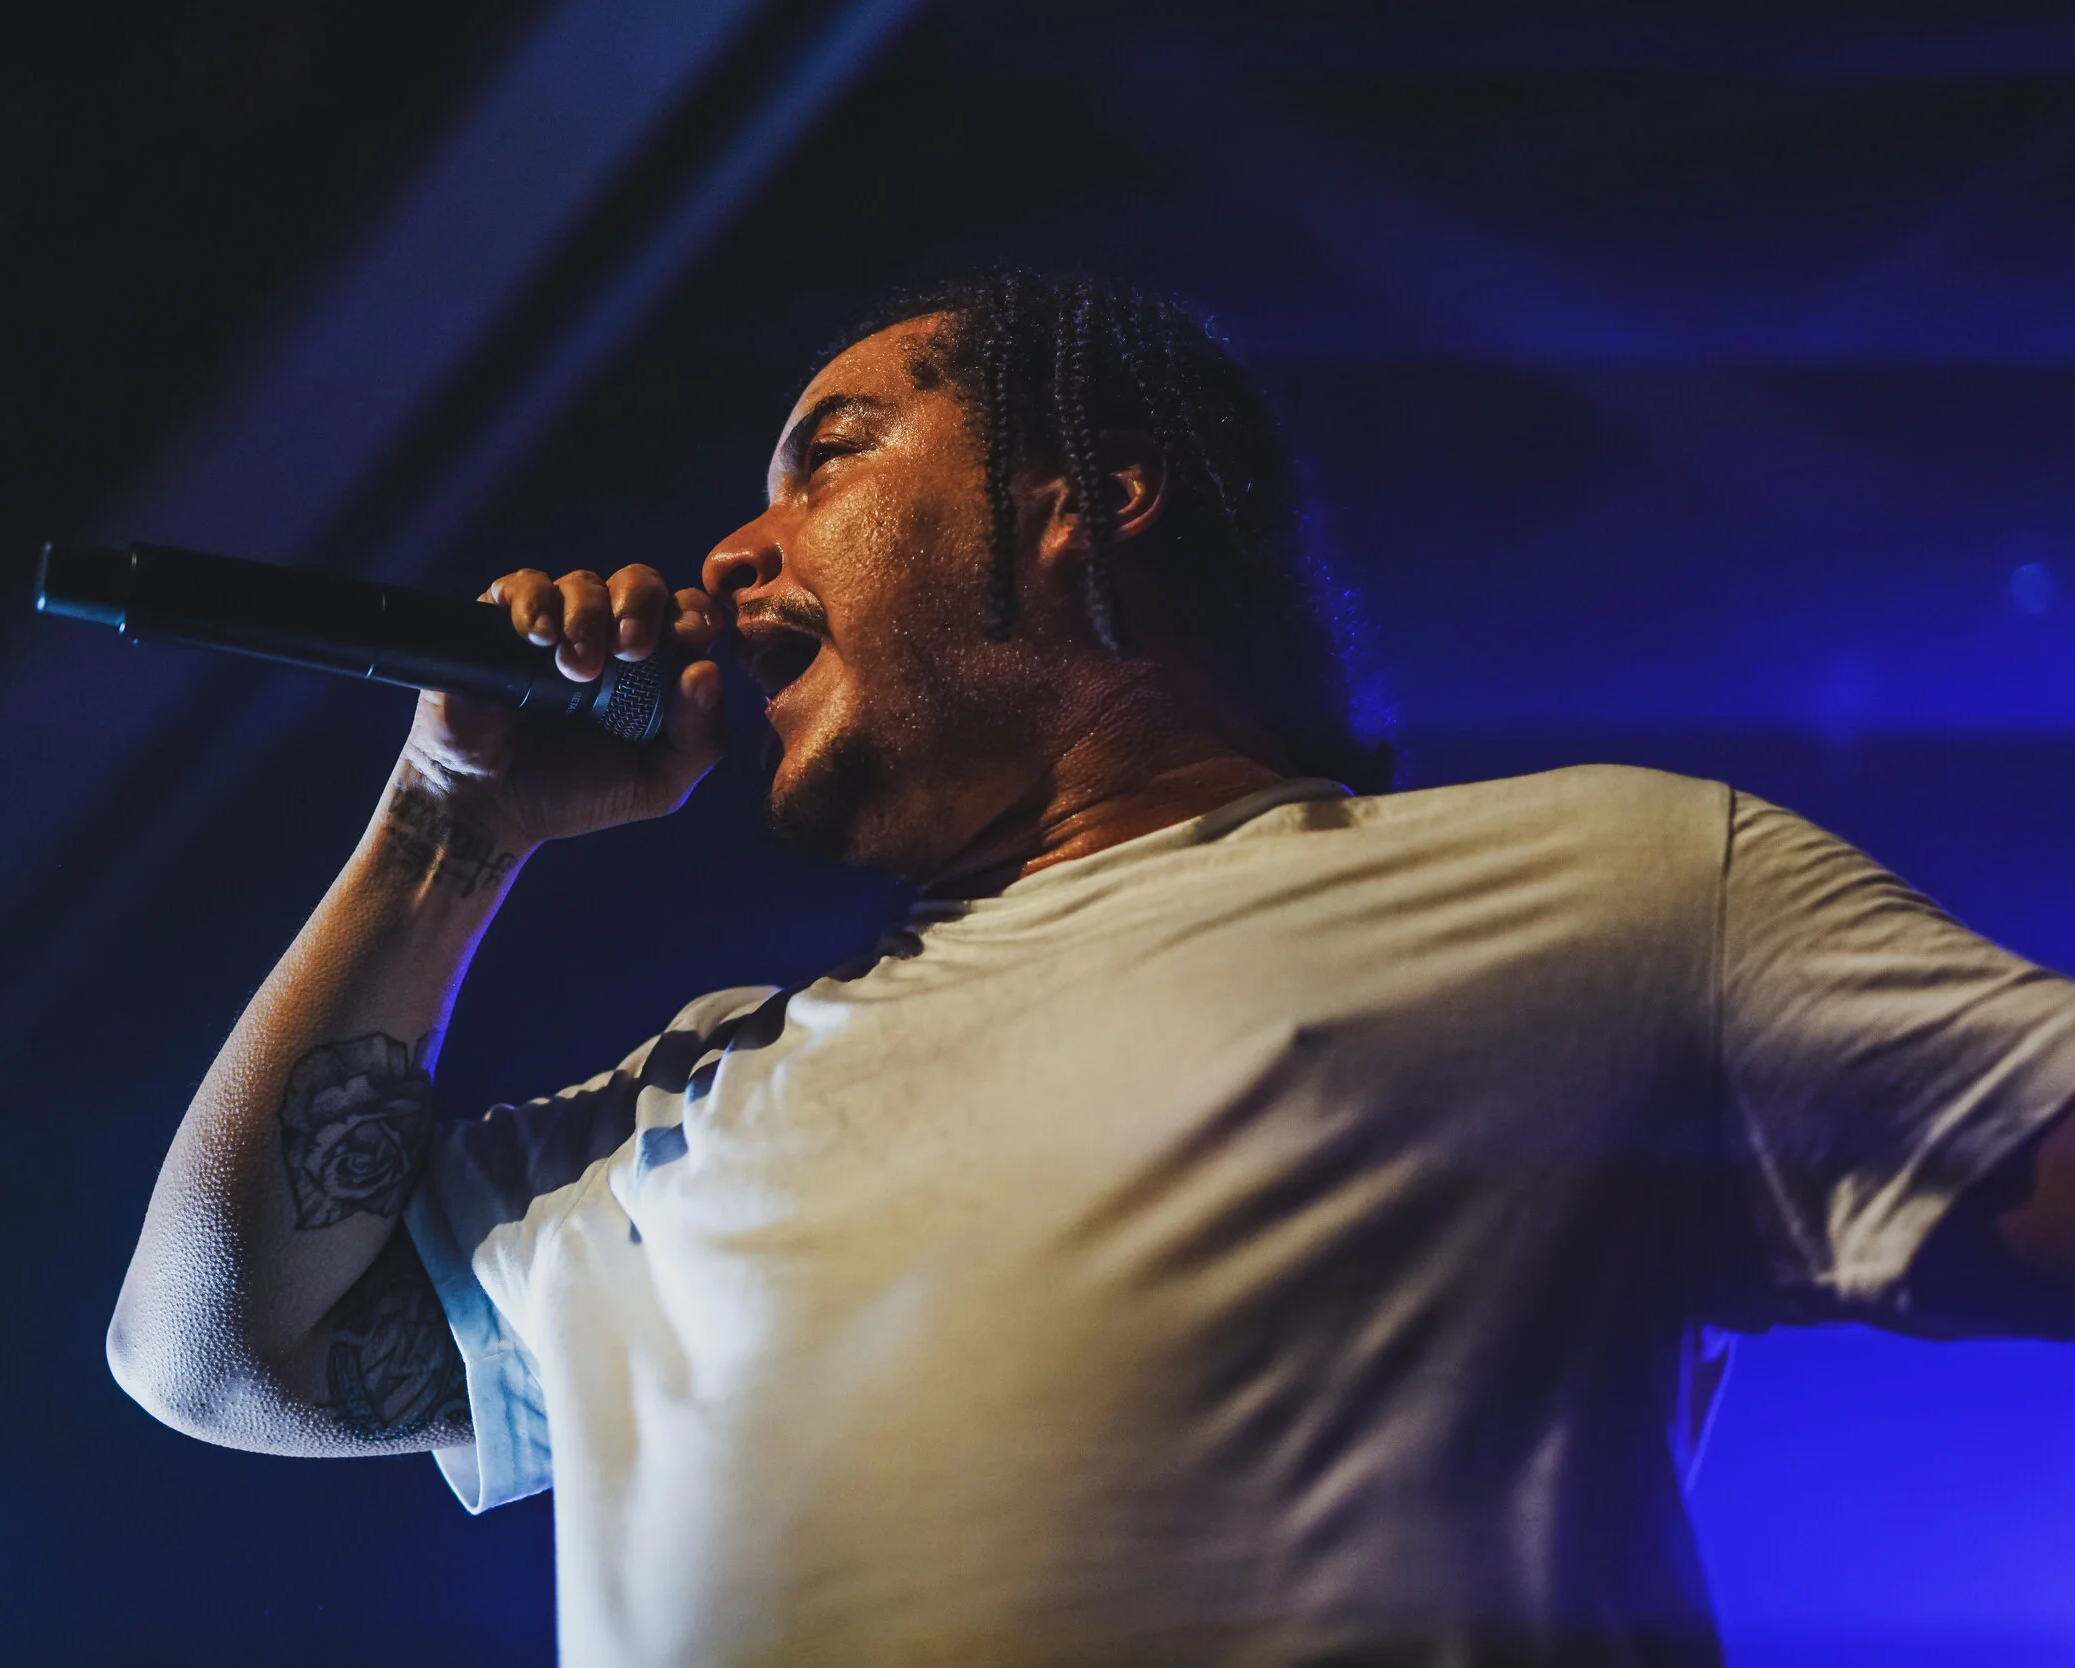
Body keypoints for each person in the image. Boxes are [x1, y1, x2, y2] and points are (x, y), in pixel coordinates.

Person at [105, 273, 2075, 1666]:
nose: (734, 543)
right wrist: (446, 834)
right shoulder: (676, 1104)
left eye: (830, 457)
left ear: (1082, 502)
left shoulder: (1592, 886)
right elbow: (218, 1355)